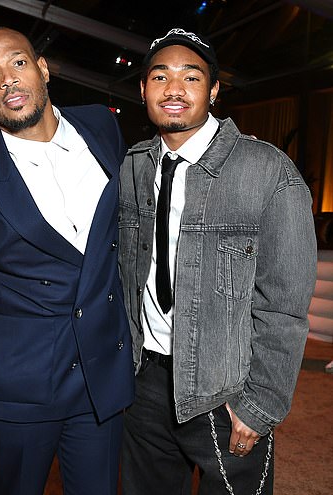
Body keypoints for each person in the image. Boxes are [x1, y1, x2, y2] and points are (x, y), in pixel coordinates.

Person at [0, 27, 134, 495]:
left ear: (42, 69)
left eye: (18, 63)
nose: (8, 80)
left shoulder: (102, 126)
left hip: (100, 378)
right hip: (20, 390)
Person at [118, 28, 318, 494]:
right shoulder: (133, 166)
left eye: (191, 77)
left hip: (225, 389)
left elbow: (285, 305)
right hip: (144, 384)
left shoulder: (266, 171)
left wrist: (260, 404)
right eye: (159, 76)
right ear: (143, 89)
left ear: (213, 91)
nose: (173, 89)